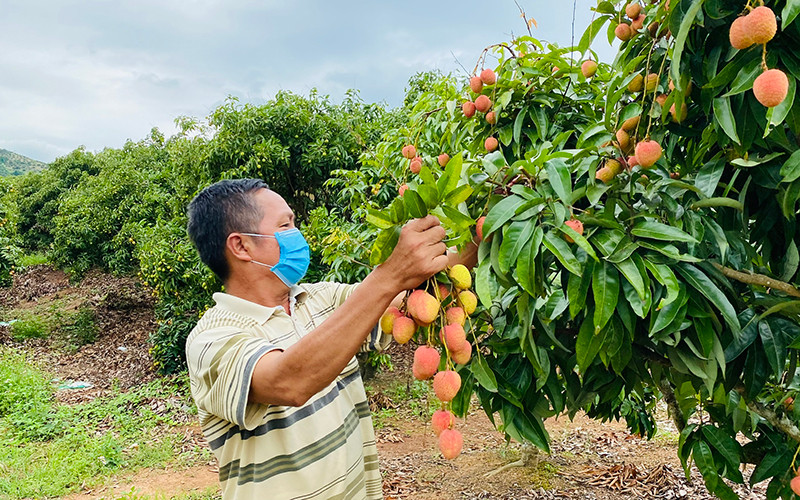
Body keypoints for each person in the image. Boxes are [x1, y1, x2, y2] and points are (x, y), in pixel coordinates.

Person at [184, 178, 476, 500]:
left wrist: (484, 233)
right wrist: (390, 274)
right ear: (241, 246)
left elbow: (412, 294)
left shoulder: (322, 299)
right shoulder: (211, 338)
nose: (298, 234)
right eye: (285, 225)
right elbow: (290, 381)